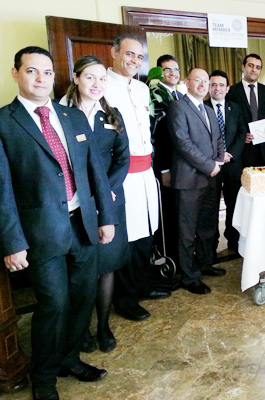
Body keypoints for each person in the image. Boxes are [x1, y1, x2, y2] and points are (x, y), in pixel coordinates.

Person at [0, 46, 117, 400]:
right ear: (16, 73)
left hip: (83, 225)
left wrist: (106, 218)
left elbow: (95, 171)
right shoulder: (4, 122)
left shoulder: (72, 117)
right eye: (32, 71)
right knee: (54, 305)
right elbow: (2, 189)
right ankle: (45, 377)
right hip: (40, 233)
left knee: (83, 299)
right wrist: (12, 242)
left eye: (48, 72)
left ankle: (70, 358)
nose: (41, 78)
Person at [60, 55, 130, 353]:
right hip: (76, 204)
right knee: (80, 270)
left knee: (107, 265)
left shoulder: (112, 115)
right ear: (76, 78)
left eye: (102, 78)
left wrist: (108, 191)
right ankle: (82, 330)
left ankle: (103, 326)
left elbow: (123, 159)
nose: (97, 84)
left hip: (109, 201)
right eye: (90, 77)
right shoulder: (60, 114)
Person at [105, 34, 170, 322]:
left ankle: (143, 286)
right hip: (121, 175)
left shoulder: (143, 89)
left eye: (139, 56)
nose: (134, 60)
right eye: (129, 54)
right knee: (127, 238)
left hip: (145, 172)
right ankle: (125, 299)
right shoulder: (101, 85)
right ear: (114, 53)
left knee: (146, 232)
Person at [167, 68, 225, 294]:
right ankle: (189, 277)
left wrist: (218, 159)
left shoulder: (208, 109)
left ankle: (204, 263)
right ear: (187, 82)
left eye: (206, 81)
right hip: (189, 180)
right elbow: (183, 143)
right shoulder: (178, 107)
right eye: (197, 80)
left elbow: (218, 139)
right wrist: (209, 165)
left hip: (210, 179)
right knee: (187, 231)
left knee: (207, 227)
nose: (202, 85)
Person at [205, 70, 246, 253]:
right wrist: (217, 156)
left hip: (233, 164)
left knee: (234, 204)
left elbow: (241, 133)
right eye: (213, 84)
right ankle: (211, 243)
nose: (217, 88)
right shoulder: (202, 107)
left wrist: (230, 154)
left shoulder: (235, 108)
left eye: (221, 85)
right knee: (211, 206)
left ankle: (233, 240)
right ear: (209, 87)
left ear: (228, 88)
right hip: (210, 165)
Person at [150, 54, 183, 268]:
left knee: (178, 211)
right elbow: (158, 136)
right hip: (165, 164)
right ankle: (166, 256)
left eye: (176, 69)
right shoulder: (154, 95)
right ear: (159, 72)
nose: (173, 73)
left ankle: (178, 253)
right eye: (167, 69)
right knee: (167, 213)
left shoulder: (179, 95)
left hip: (180, 164)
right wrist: (164, 169)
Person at [226, 53, 265, 167]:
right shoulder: (231, 92)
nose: (254, 70)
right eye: (251, 65)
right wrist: (240, 136)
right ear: (243, 67)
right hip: (241, 151)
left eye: (258, 67)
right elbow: (227, 121)